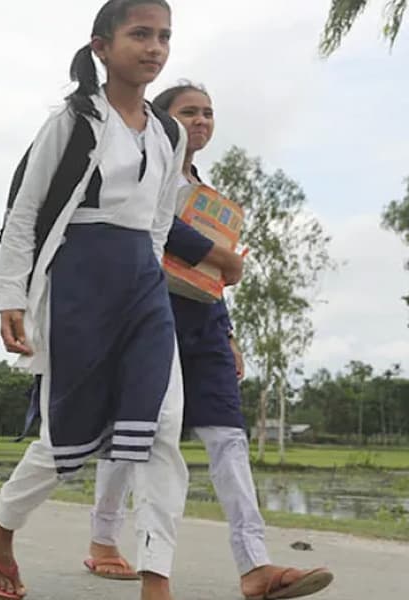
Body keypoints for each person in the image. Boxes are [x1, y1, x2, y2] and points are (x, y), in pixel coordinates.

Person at [0, 2, 190, 599]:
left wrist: (150, 282)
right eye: (140, 34)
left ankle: (156, 581)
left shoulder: (170, 132)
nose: (155, 47)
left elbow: (160, 224)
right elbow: (25, 213)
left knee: (161, 426)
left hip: (143, 284)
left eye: (164, 36)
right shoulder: (72, 121)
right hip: (78, 286)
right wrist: (12, 295)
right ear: (101, 47)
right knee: (68, 435)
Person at [81, 82, 334, 600]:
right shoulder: (143, 167)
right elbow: (150, 225)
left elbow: (207, 278)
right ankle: (104, 539)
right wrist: (222, 256)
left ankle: (255, 565)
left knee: (229, 439)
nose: (201, 121)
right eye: (189, 112)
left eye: (209, 114)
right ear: (162, 118)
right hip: (148, 318)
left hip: (206, 326)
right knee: (133, 437)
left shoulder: (204, 191)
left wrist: (231, 330)